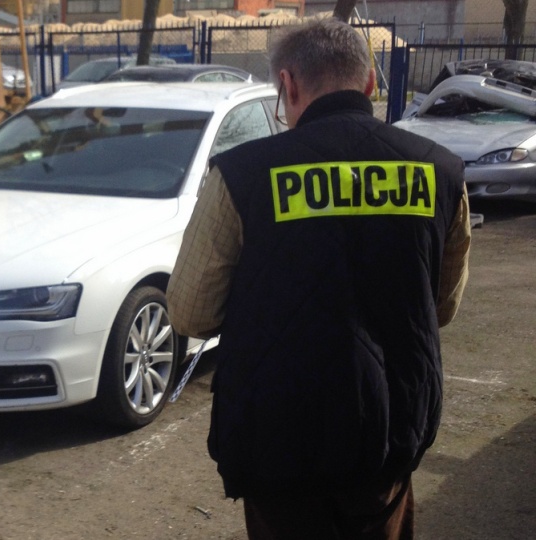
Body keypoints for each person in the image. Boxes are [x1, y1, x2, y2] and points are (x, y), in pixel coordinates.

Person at [166, 18, 471, 540]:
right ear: (371, 82)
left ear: (287, 85)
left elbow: (191, 311)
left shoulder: (241, 174)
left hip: (277, 443)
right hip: (387, 432)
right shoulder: (440, 172)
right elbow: (441, 306)